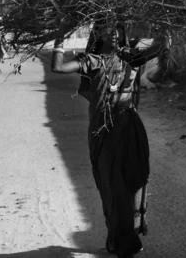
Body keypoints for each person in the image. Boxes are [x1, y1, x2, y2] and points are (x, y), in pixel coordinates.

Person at [51, 17, 167, 258]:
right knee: (112, 187)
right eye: (107, 31)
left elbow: (161, 48)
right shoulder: (92, 61)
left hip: (129, 128)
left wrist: (163, 26)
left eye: (117, 31)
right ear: (98, 36)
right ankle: (119, 238)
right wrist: (60, 36)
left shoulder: (130, 57)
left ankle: (125, 237)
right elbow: (58, 67)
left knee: (132, 182)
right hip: (103, 131)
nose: (113, 34)